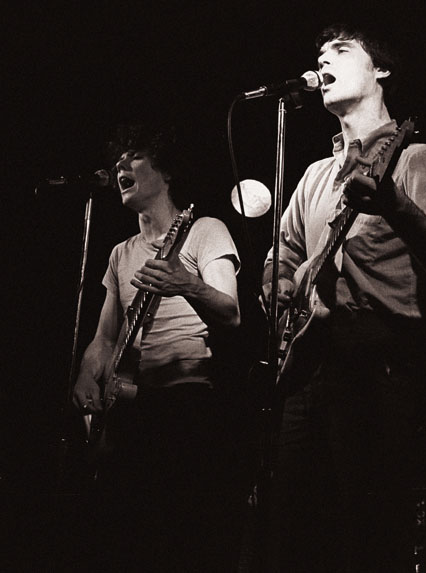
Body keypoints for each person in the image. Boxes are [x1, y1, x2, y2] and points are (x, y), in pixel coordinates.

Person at [261, 22, 426, 571]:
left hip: (378, 362)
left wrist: (396, 206)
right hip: (306, 365)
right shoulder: (312, 176)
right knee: (290, 533)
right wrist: (280, 286)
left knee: (368, 533)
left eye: (340, 50)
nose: (323, 60)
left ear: (380, 70)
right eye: (319, 52)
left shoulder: (415, 158)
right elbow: (279, 260)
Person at [70, 122, 242, 571]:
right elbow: (104, 338)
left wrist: (187, 285)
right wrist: (88, 374)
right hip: (128, 409)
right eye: (118, 160)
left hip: (186, 403)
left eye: (134, 157)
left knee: (181, 536)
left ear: (166, 173)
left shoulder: (204, 230)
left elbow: (231, 312)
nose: (120, 166)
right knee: (125, 538)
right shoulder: (120, 253)